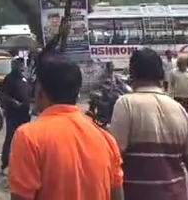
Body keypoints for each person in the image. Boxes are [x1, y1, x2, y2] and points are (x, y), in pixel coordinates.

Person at [8, 52, 124, 200]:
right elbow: (117, 195)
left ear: (40, 91)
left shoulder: (28, 137)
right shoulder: (106, 139)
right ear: (77, 93)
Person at [109, 48, 188, 200]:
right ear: (160, 73)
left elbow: (113, 161)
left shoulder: (126, 104)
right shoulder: (178, 109)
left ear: (132, 73)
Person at [0, 56, 31, 173]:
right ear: (13, 65)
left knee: (25, 140)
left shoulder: (25, 78)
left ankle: (23, 165)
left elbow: (30, 93)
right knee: (10, 138)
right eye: (18, 63)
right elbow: (3, 95)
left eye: (22, 63)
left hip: (25, 114)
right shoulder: (9, 79)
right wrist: (13, 102)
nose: (20, 65)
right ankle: (5, 164)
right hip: (13, 114)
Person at [169, 55, 188, 121]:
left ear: (186, 63)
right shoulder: (173, 72)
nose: (181, 65)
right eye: (180, 64)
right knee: (178, 116)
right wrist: (170, 97)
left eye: (183, 63)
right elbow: (171, 86)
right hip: (177, 98)